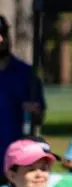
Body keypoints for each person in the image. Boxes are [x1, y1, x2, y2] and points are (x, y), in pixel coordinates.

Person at [0, 14, 45, 158]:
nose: (1, 40)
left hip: (17, 160)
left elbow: (39, 117)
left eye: (3, 34)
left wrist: (35, 112)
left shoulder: (26, 74)